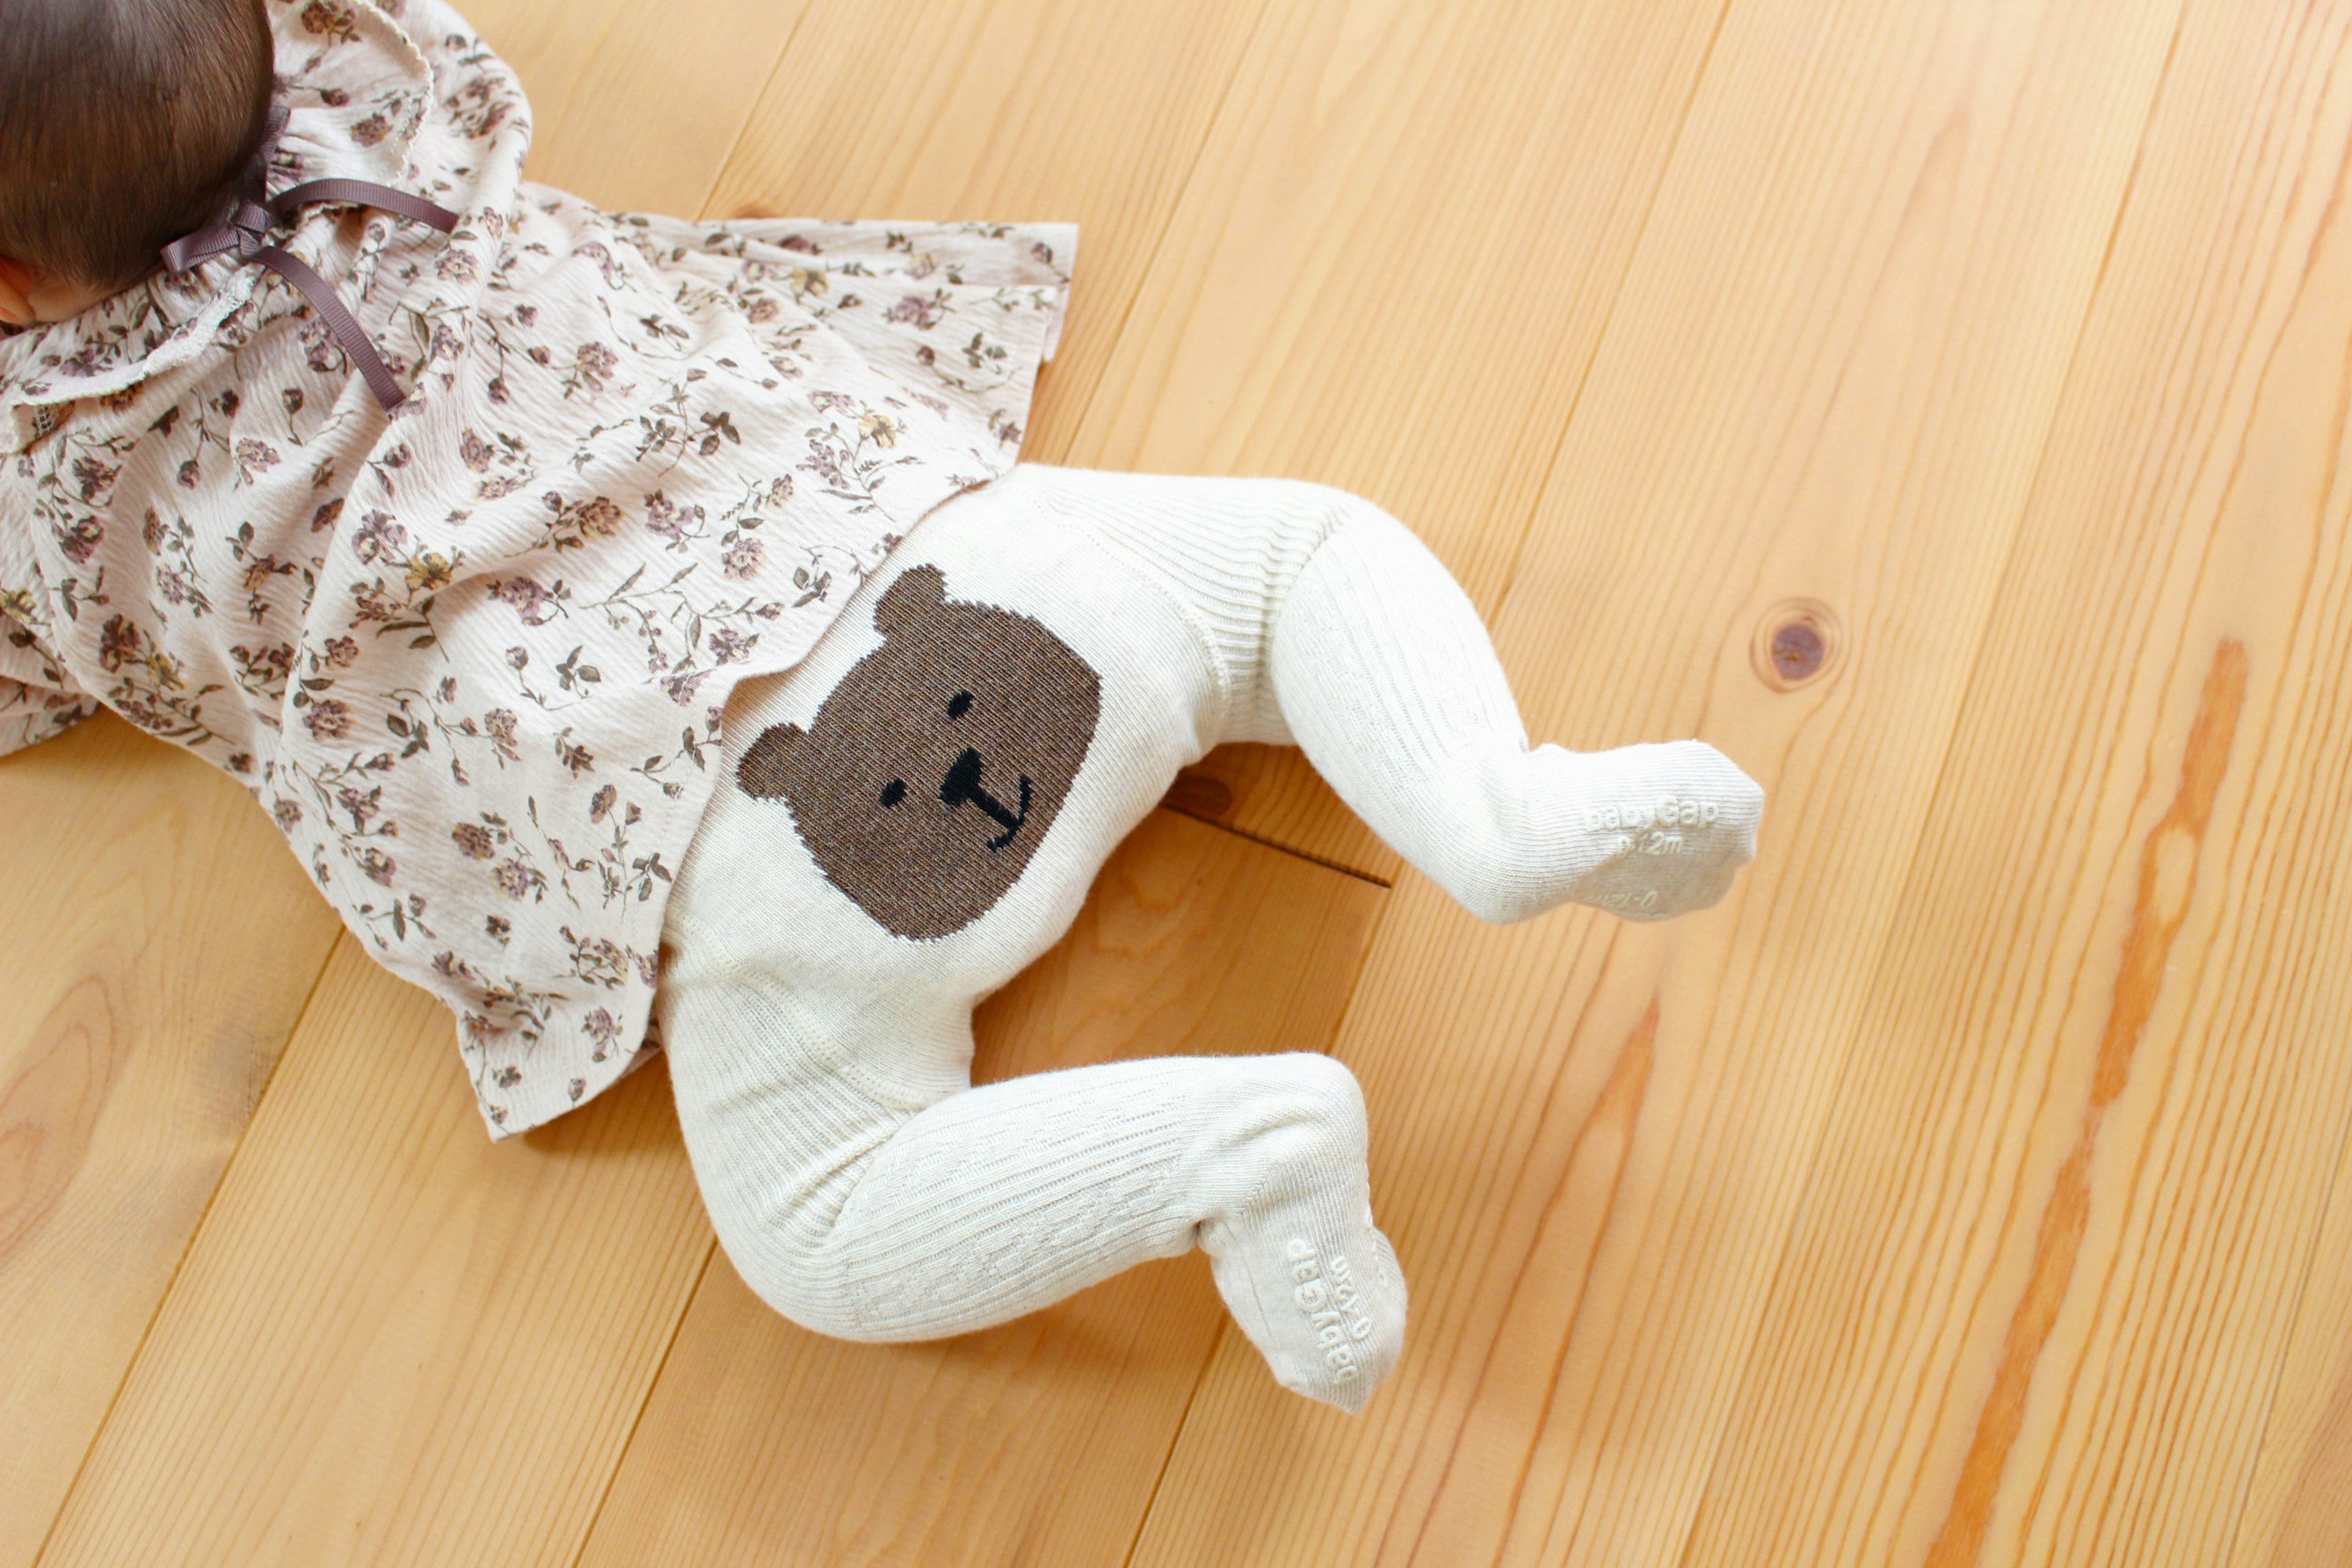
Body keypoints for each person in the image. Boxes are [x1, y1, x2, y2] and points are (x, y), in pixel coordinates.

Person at [0, 0, 1763, 1411]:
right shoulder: (406, 95)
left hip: (758, 852)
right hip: (985, 573)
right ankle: (1495, 804)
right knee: (1304, 554)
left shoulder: (49, 491)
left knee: (817, 1228)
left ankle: (1248, 1148)